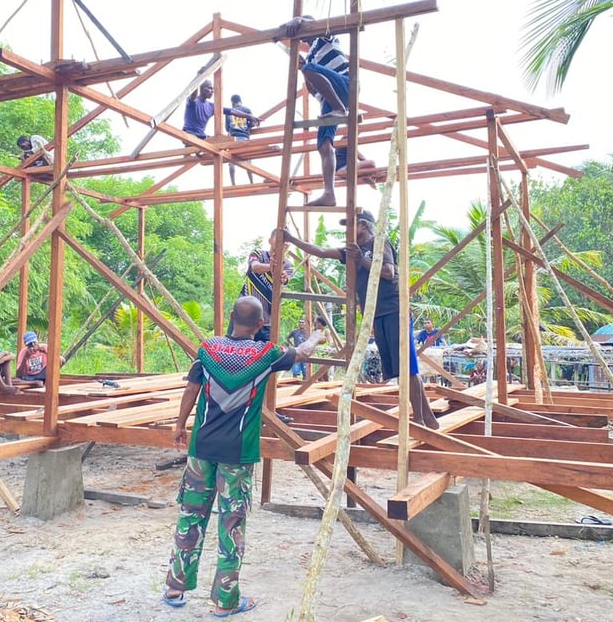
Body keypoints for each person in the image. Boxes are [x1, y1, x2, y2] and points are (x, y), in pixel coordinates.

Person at [162, 296, 322, 616]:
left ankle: (176, 586)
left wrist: (179, 426)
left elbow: (191, 389)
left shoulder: (208, 349)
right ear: (260, 324)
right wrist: (317, 335)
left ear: (231, 316)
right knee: (231, 522)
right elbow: (302, 353)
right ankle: (225, 601)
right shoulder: (267, 354)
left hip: (201, 447)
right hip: (237, 454)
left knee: (191, 514)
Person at [283, 212, 440, 429]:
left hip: (394, 310)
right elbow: (320, 251)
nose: (347, 230)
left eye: (351, 225)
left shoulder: (379, 243)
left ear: (364, 225)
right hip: (376, 313)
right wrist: (292, 239)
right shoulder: (352, 251)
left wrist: (361, 260)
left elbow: (388, 272)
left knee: (407, 366)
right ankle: (427, 418)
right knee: (398, 368)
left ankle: (420, 419)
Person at [277, 15, 375, 207]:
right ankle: (329, 194)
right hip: (329, 100)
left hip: (346, 86)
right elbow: (314, 90)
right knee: (323, 145)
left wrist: (297, 19)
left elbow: (310, 21)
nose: (303, 37)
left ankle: (339, 108)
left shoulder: (325, 37)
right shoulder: (310, 57)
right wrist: (302, 69)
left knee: (310, 68)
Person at [234, 230, 294, 343]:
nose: (284, 243)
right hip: (243, 318)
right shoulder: (257, 254)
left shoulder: (288, 265)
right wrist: (270, 267)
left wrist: (283, 277)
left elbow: (285, 279)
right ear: (270, 241)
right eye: (280, 240)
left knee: (265, 351)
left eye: (287, 241)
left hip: (267, 321)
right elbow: (254, 267)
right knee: (236, 348)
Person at [224, 94, 260, 185]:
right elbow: (252, 123)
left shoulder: (229, 112)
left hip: (233, 138)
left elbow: (227, 128)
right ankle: (251, 182)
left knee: (231, 160)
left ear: (232, 102)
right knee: (248, 161)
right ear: (240, 101)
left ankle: (233, 183)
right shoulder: (247, 110)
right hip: (244, 137)